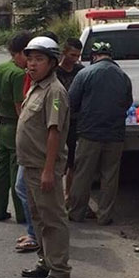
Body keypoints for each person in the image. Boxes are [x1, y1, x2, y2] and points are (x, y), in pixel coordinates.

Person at [17, 36, 72, 278]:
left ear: (52, 62)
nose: (32, 64)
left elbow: (54, 132)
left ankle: (59, 270)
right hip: (30, 166)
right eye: (30, 59)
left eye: (39, 59)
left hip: (43, 167)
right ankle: (45, 261)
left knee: (52, 219)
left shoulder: (55, 91)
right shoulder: (37, 86)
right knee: (38, 218)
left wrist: (49, 170)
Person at [67, 41, 132, 226]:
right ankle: (105, 216)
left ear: (93, 57)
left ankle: (76, 213)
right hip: (115, 134)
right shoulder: (123, 76)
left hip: (89, 133)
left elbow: (71, 102)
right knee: (110, 176)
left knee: (83, 175)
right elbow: (128, 102)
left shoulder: (84, 74)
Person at [0, 31, 33, 223]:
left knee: (1, 169)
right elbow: (21, 108)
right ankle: (22, 214)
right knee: (16, 171)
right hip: (14, 125)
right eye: (28, 55)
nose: (30, 60)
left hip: (2, 124)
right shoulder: (19, 74)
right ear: (20, 53)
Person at [56, 37, 85, 206]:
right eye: (73, 55)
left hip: (75, 122)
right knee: (59, 161)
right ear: (64, 53)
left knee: (73, 161)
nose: (75, 59)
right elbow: (53, 98)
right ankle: (58, 196)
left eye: (78, 55)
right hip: (58, 121)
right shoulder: (54, 72)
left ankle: (69, 196)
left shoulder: (81, 71)